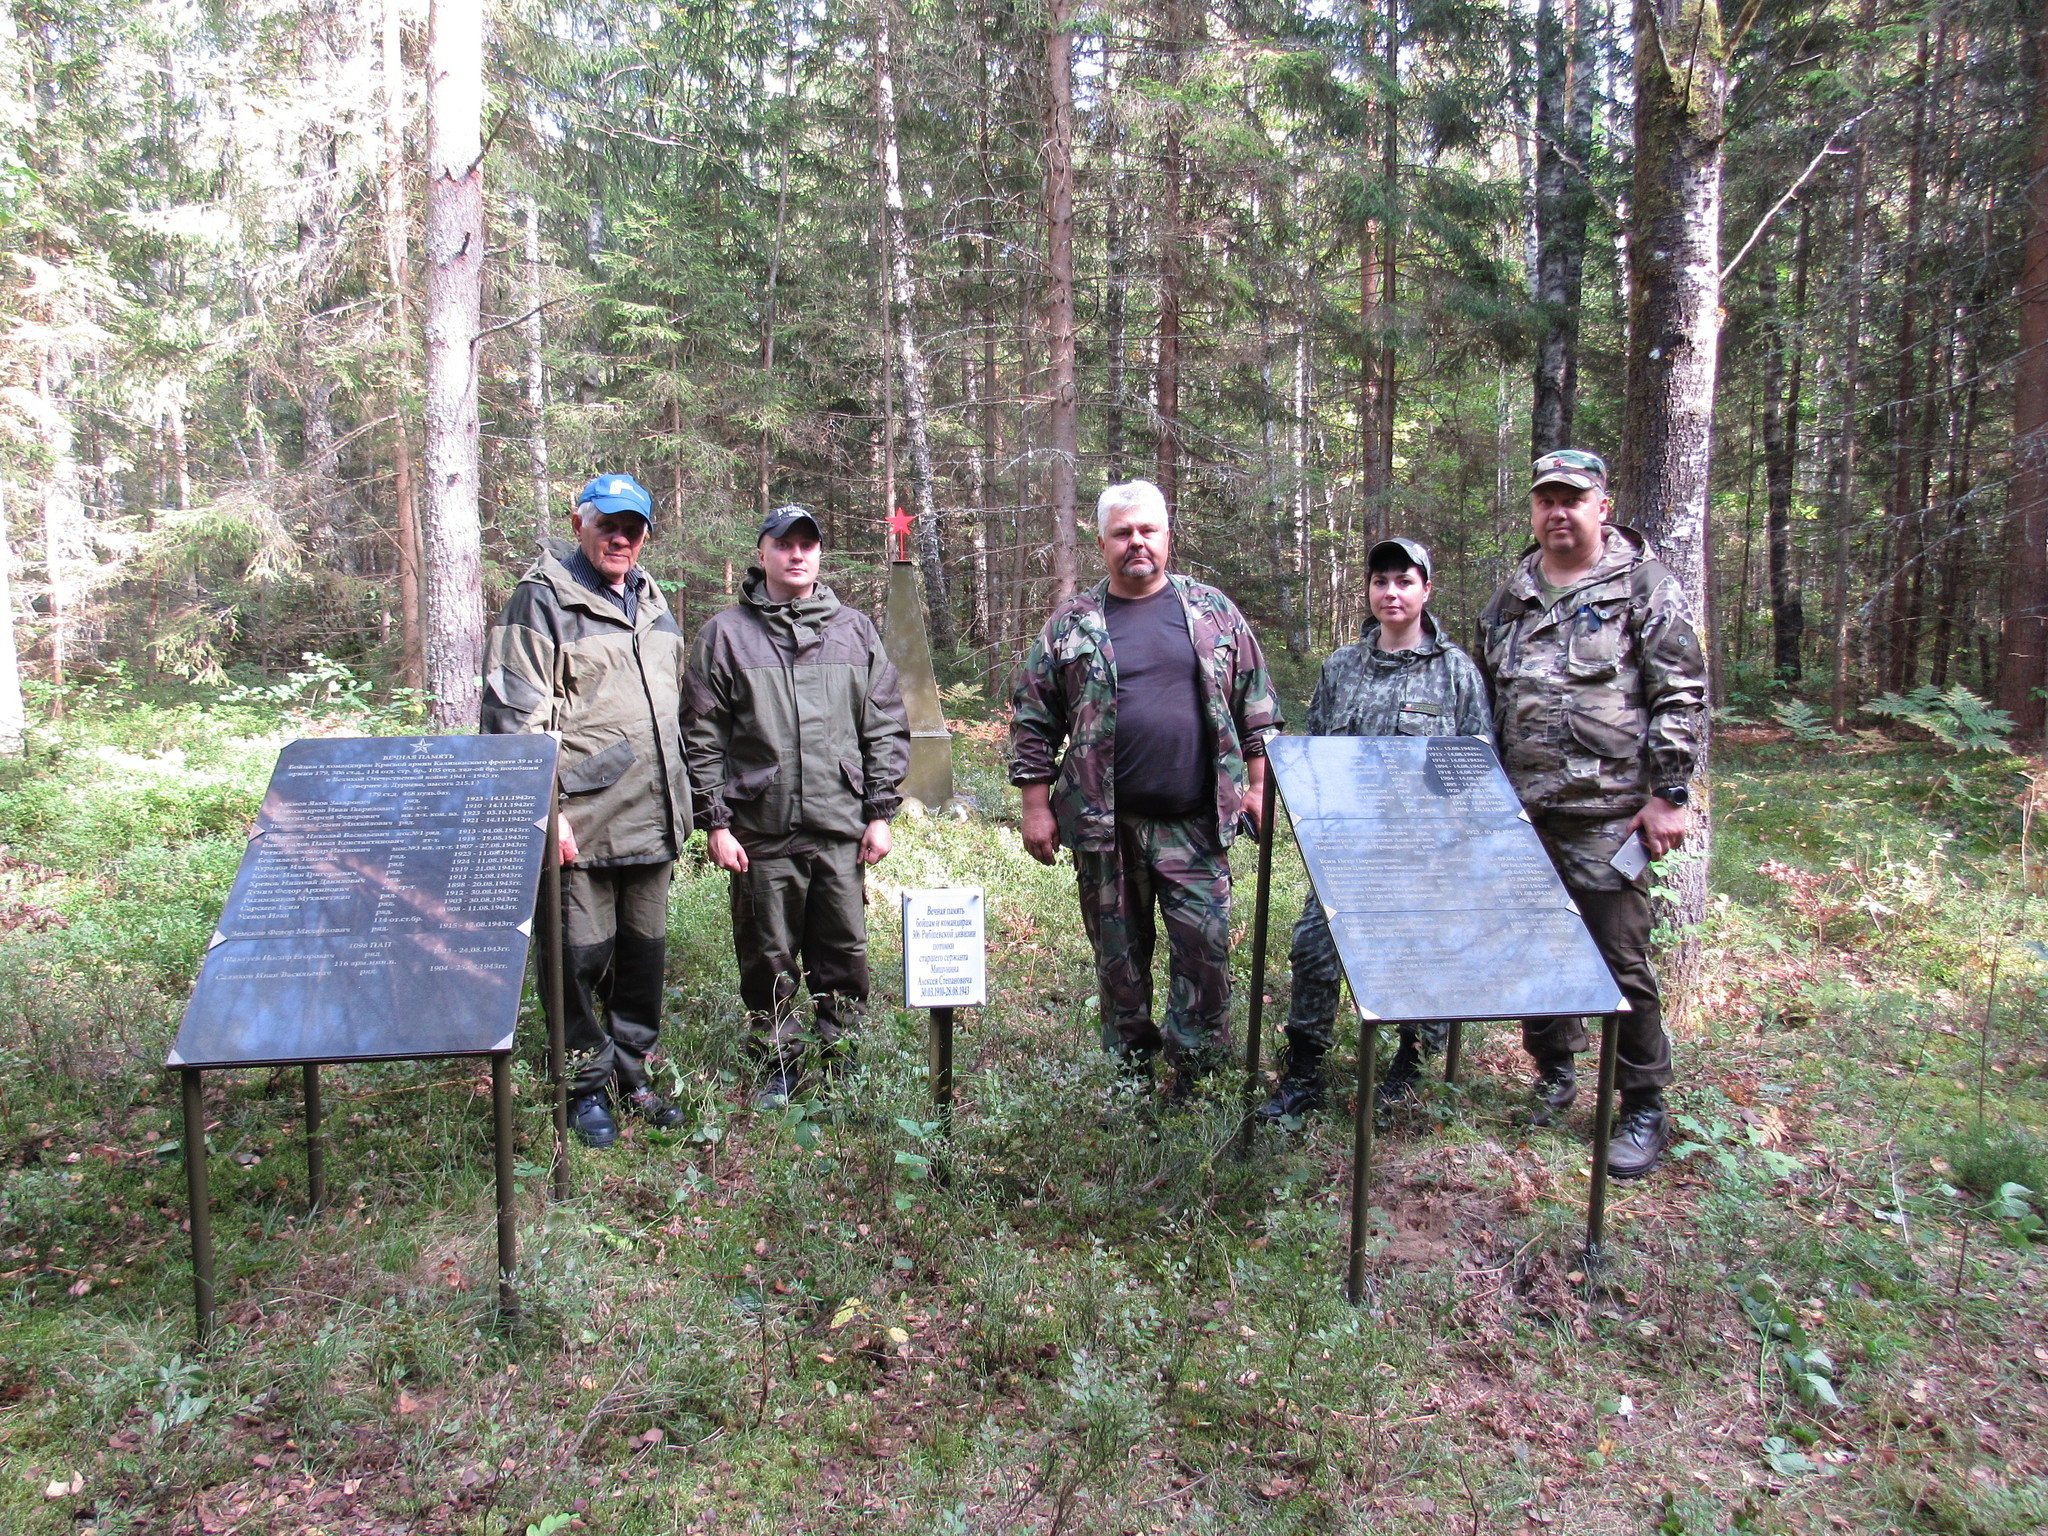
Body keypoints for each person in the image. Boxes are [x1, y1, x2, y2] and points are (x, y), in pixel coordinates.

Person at [1009, 479, 1283, 1100]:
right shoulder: (1073, 623)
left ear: (1167, 535)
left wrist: (1258, 788)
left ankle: (1198, 1082)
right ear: (1102, 543)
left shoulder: (1212, 611)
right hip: (1106, 831)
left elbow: (1257, 706)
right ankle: (1128, 1080)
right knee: (1120, 964)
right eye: (1123, 533)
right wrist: (1034, 805)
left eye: (1148, 530)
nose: (1137, 542)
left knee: (1205, 955)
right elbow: (1032, 716)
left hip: (1195, 825)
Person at [1475, 449, 1707, 1179]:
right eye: (1546, 499)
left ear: (1602, 506)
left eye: (1572, 499)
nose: (1558, 512)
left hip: (1608, 813)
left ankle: (1642, 1102)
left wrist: (1669, 795)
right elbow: (1485, 693)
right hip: (1524, 810)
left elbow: (1681, 692)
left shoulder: (1643, 585)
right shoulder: (1512, 594)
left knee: (1619, 960)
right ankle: (1554, 1071)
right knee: (1536, 951)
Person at [480, 473, 693, 1148]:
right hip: (582, 822)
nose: (621, 537)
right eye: (608, 524)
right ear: (580, 524)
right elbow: (515, 717)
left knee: (642, 959)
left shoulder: (655, 607)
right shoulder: (539, 603)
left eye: (633, 527)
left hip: (652, 821)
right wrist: (550, 815)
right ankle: (582, 1088)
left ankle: (633, 1075)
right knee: (575, 961)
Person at [1259, 536, 1494, 1123]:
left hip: (1424, 854)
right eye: (1381, 581)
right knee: (1314, 951)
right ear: (1369, 591)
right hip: (1349, 850)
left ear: (1426, 590)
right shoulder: (1342, 667)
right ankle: (1304, 1072)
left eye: (1405, 581)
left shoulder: (1456, 672)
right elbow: (1315, 757)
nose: (1392, 592)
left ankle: (1409, 1065)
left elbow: (1477, 763)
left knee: (1418, 958)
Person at [684, 505, 909, 1110]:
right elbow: (702, 737)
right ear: (762, 553)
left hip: (840, 826)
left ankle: (843, 1061)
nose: (797, 554)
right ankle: (779, 1062)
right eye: (784, 544)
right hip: (761, 828)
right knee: (767, 953)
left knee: (843, 951)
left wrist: (880, 811)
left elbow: (884, 725)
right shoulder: (725, 636)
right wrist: (716, 823)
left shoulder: (855, 631)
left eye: (808, 544)